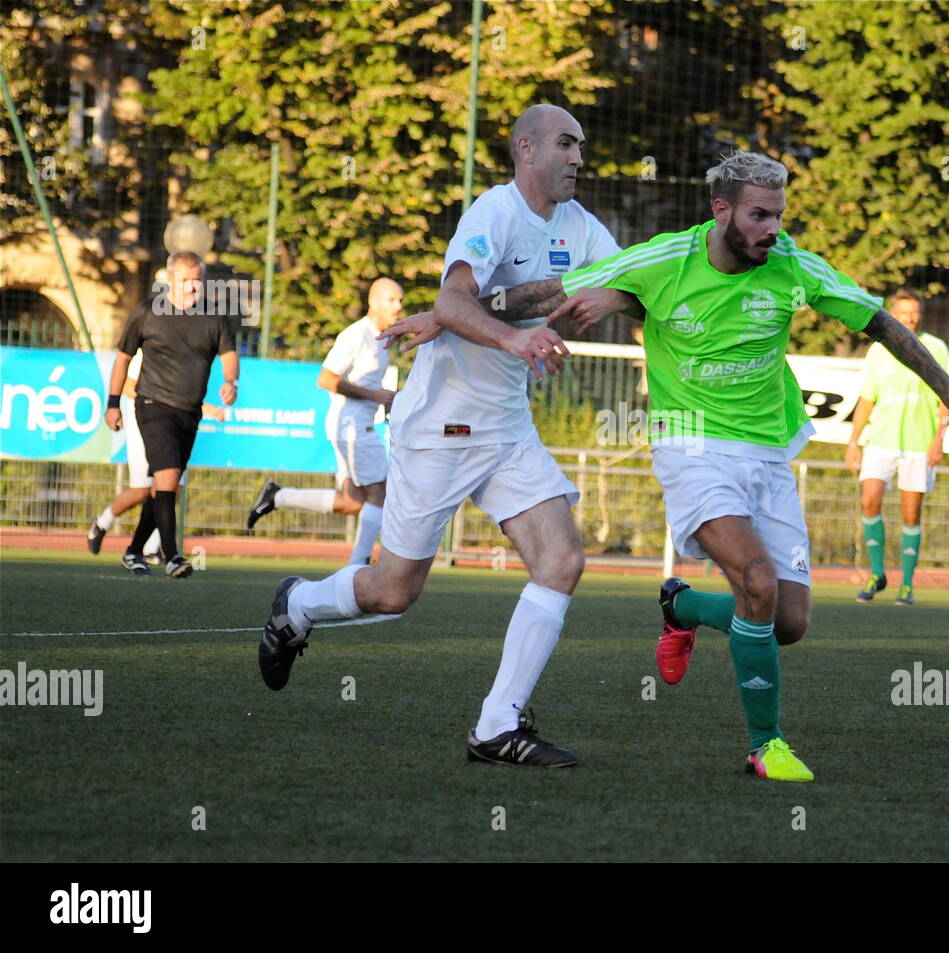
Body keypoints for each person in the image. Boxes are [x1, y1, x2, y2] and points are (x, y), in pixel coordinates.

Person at [516, 151, 949, 781]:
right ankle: (766, 745)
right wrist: (458, 308)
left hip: (769, 448)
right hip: (690, 443)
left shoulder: (792, 266)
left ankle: (685, 607)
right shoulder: (665, 256)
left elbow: (882, 323)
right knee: (755, 578)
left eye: (778, 214)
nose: (772, 227)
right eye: (759, 214)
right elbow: (553, 290)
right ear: (721, 210)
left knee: (788, 622)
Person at [256, 104, 631, 769]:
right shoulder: (494, 212)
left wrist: (614, 296)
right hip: (442, 427)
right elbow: (453, 300)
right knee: (394, 592)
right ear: (526, 149)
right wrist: (517, 335)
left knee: (563, 559)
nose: (578, 157)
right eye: (566, 144)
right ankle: (299, 603)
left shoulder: (581, 226)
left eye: (581, 146)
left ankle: (495, 726)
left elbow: (641, 277)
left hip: (508, 427)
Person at [245, 278, 403, 566]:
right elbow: (326, 379)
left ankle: (278, 496)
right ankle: (358, 564)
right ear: (373, 302)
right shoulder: (357, 335)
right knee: (381, 491)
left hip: (354, 425)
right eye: (391, 300)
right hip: (353, 427)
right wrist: (377, 396)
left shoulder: (382, 338)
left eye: (400, 300)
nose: (398, 306)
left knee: (352, 501)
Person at [105, 251, 239, 578]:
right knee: (167, 479)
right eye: (185, 280)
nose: (192, 287)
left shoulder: (214, 317)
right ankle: (173, 556)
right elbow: (122, 358)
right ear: (169, 280)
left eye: (197, 280)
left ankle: (134, 550)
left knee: (165, 486)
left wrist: (231, 382)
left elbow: (230, 356)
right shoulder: (146, 312)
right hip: (152, 405)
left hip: (189, 412)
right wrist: (111, 403)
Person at [844, 289, 949, 606]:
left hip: (919, 443)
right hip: (881, 441)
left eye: (914, 312)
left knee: (911, 512)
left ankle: (906, 584)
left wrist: (938, 440)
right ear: (893, 314)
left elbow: (946, 395)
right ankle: (877, 574)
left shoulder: (935, 347)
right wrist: (854, 441)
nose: (910, 318)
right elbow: (867, 398)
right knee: (869, 499)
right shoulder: (878, 350)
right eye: (903, 312)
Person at [88, 351, 225, 566]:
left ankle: (151, 548)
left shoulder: (184, 340)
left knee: (172, 486)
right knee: (143, 490)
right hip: (147, 419)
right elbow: (127, 384)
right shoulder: (150, 341)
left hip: (176, 419)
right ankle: (102, 523)